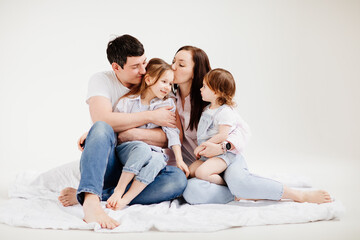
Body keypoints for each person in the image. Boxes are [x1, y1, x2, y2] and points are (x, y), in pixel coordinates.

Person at [119, 45, 332, 205]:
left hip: (225, 157)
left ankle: (297, 195)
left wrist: (222, 147)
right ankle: (244, 192)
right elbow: (154, 126)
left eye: (181, 64)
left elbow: (242, 131)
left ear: (196, 71)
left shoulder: (211, 99)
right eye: (173, 61)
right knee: (192, 193)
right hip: (201, 166)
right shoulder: (166, 100)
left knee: (239, 180)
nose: (173, 68)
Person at [58, 35, 187, 229]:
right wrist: (151, 117)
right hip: (114, 161)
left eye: (144, 63)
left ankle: (97, 194)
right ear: (116, 67)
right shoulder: (103, 81)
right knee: (100, 128)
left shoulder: (160, 87)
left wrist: (133, 134)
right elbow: (103, 120)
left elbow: (172, 136)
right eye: (135, 67)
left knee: (177, 180)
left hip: (145, 167)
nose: (143, 71)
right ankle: (91, 203)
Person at [106, 58, 189, 211]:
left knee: (158, 159)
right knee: (142, 149)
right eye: (164, 82)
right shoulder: (127, 102)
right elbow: (113, 127)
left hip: (152, 153)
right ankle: (119, 189)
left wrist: (179, 159)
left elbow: (172, 132)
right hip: (127, 151)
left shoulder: (166, 105)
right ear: (149, 79)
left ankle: (126, 199)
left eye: (170, 84)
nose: (167, 87)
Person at [189, 68, 246, 186]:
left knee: (201, 173)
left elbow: (223, 135)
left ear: (216, 91)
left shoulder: (225, 112)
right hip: (207, 155)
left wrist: (203, 146)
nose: (201, 89)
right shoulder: (207, 109)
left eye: (204, 86)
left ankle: (228, 186)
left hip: (222, 155)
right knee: (191, 171)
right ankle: (215, 178)